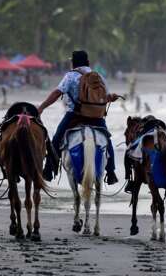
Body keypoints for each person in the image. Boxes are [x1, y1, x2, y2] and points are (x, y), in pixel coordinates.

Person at [37, 50, 121, 184]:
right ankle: (111, 173)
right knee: (107, 139)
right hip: (96, 117)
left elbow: (57, 93)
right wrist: (111, 98)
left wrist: (41, 107)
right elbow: (104, 97)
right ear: (88, 62)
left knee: (57, 139)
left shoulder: (70, 76)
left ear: (73, 63)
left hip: (75, 116)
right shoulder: (98, 76)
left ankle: (48, 170)